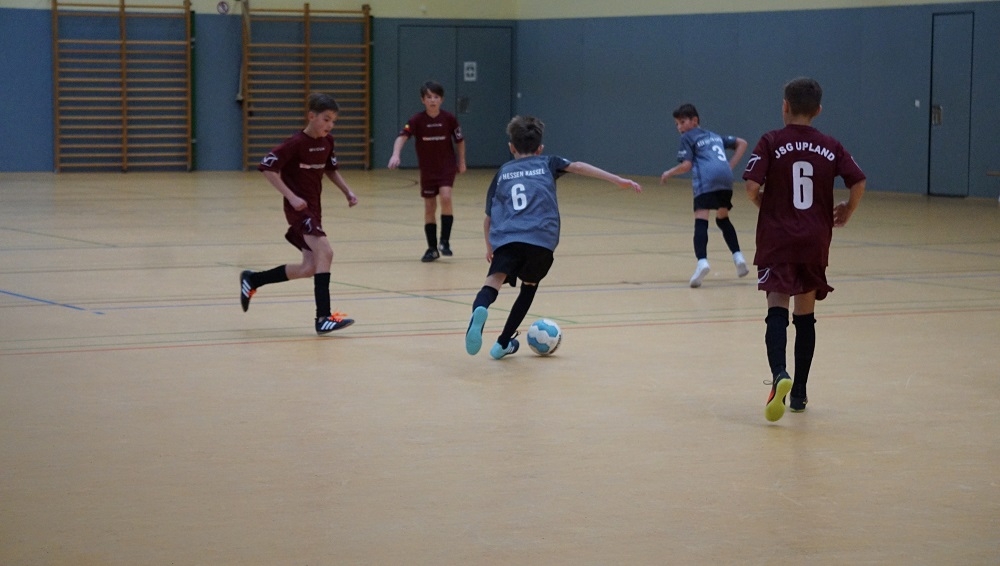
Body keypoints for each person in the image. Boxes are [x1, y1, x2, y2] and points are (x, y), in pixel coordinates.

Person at [465, 115, 642, 359]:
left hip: (508, 238)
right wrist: (617, 180)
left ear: (511, 147)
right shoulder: (548, 162)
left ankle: (481, 308)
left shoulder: (503, 172)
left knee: (492, 282)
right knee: (529, 287)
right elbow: (578, 166)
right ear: (540, 148)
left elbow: (488, 219)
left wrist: (490, 247)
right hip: (541, 240)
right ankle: (502, 343)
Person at [742, 77, 866, 422]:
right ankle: (799, 393)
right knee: (805, 316)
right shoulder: (830, 145)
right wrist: (848, 209)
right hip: (814, 239)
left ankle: (779, 374)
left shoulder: (771, 140)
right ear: (818, 110)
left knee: (776, 307)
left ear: (785, 106)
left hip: (778, 238)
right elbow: (858, 180)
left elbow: (751, 186)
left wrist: (765, 203)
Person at [240, 92, 359, 335]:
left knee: (309, 267)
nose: (330, 125)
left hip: (314, 209)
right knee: (326, 252)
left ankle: (253, 280)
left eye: (333, 121)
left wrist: (347, 191)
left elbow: (331, 169)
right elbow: (267, 167)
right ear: (311, 116)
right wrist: (291, 196)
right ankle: (323, 318)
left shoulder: (327, 142)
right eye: (326, 119)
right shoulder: (295, 143)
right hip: (299, 211)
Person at [660, 104, 749, 287]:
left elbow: (686, 165)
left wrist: (669, 172)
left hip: (707, 180)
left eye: (682, 122)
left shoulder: (687, 137)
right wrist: (729, 166)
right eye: (677, 124)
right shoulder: (714, 136)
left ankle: (702, 262)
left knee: (701, 219)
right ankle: (738, 257)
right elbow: (742, 143)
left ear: (695, 121)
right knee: (723, 218)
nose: (679, 127)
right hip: (726, 180)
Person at [388, 80, 467, 262]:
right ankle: (432, 248)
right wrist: (396, 154)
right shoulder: (417, 120)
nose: (432, 100)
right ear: (423, 100)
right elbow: (402, 137)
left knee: (446, 197)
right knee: (430, 207)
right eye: (429, 97)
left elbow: (460, 140)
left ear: (442, 99)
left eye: (436, 97)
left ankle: (445, 241)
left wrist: (461, 161)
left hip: (446, 167)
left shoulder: (449, 119)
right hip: (428, 170)